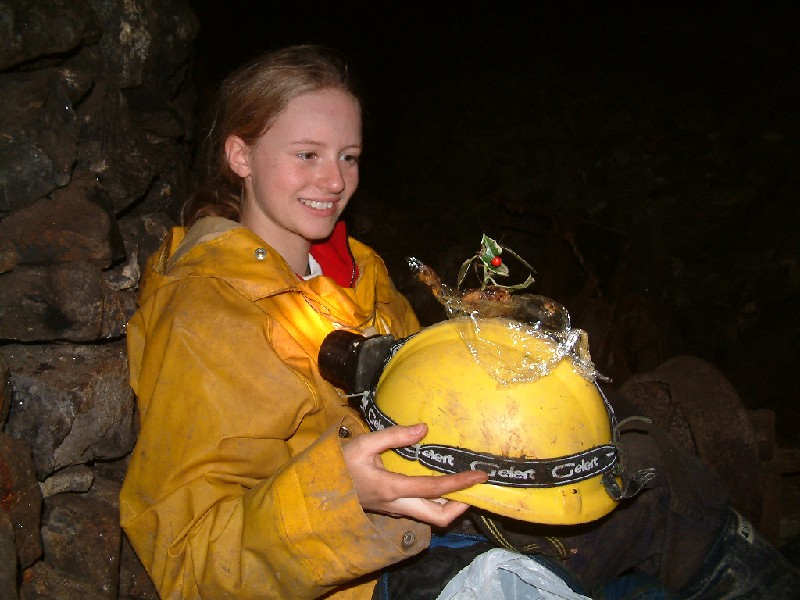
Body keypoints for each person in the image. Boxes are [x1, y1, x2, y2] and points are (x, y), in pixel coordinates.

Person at [120, 44, 798, 600]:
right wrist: (340, 492)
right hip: (359, 574)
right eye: (307, 154)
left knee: (652, 475)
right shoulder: (205, 315)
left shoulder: (360, 270)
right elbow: (185, 560)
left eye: (348, 156)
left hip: (445, 511)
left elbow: (429, 398)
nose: (334, 179)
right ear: (240, 157)